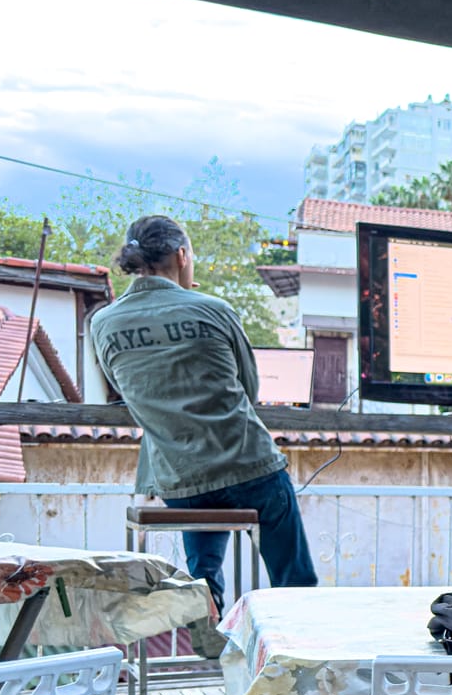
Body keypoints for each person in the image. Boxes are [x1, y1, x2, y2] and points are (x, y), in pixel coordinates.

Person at [91, 215, 318, 612]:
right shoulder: (214, 310)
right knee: (294, 579)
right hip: (250, 465)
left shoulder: (104, 323)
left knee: (203, 572)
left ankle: (207, 603)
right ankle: (294, 638)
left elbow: (125, 390)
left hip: (182, 478)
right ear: (181, 256)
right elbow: (249, 389)